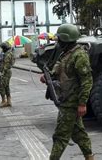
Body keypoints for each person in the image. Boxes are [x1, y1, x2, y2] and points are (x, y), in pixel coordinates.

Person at [40, 23, 94, 160]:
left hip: (72, 102)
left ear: (66, 40)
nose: (58, 42)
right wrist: (48, 77)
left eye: (60, 40)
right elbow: (58, 71)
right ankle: (90, 157)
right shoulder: (66, 54)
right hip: (65, 99)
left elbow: (86, 81)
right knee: (78, 133)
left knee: (60, 136)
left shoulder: (79, 55)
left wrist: (82, 103)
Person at [0, 42, 15, 108]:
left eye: (2, 48)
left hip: (5, 73)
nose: (2, 49)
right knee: (6, 87)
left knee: (1, 87)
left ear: (5, 48)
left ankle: (3, 101)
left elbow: (6, 66)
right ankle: (9, 101)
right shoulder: (9, 53)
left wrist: (2, 73)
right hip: (7, 72)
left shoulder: (7, 55)